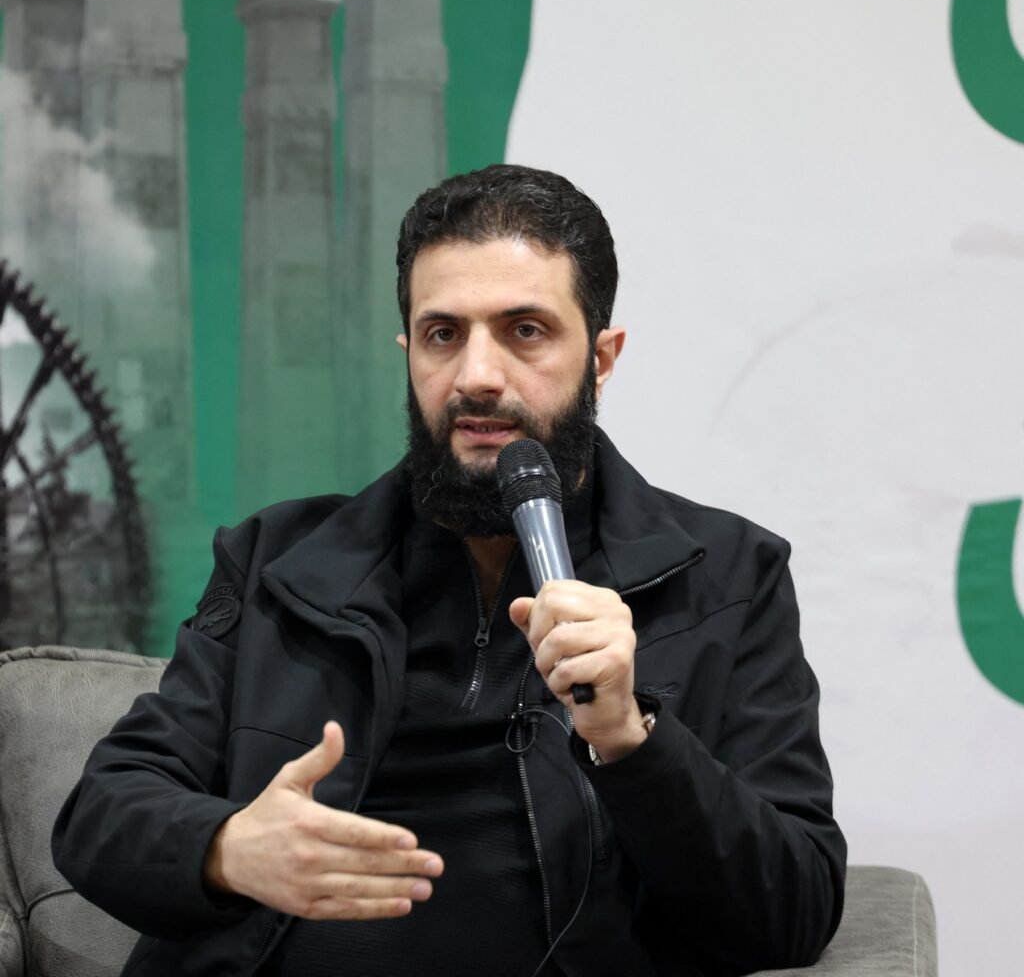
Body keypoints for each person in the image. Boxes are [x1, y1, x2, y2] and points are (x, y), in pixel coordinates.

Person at [53, 164, 846, 977]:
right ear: (409, 353)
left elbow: (794, 909)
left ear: (602, 358)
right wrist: (228, 849)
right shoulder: (276, 562)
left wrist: (629, 737)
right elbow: (100, 815)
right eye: (443, 334)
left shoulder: (730, 578)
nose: (476, 376)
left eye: (525, 331)